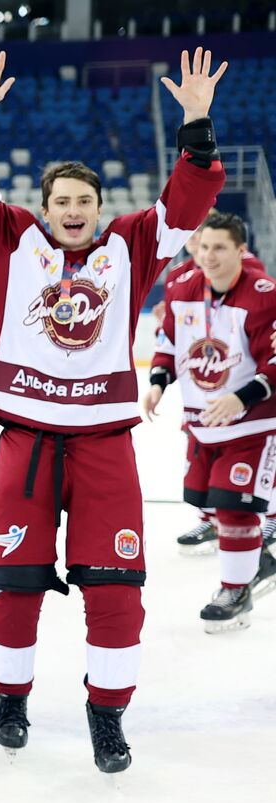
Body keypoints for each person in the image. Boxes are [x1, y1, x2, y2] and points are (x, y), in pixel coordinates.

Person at [0, 46, 227, 773]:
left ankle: (108, 718)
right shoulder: (13, 239)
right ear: (45, 209)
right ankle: (10, 703)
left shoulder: (132, 247)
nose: (73, 212)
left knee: (117, 588)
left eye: (84, 202)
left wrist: (196, 126)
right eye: (62, 202)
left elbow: (186, 205)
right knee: (12, 588)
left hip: (104, 442)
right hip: (26, 439)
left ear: (101, 209)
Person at [145, 214, 276, 631]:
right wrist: (158, 381)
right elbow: (169, 341)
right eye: (204, 247)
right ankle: (256, 556)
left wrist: (241, 398)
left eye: (219, 248)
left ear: (241, 250)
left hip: (252, 425)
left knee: (235, 507)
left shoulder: (263, 294)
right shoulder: (182, 285)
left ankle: (235, 590)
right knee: (209, 499)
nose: (208, 256)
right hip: (201, 423)